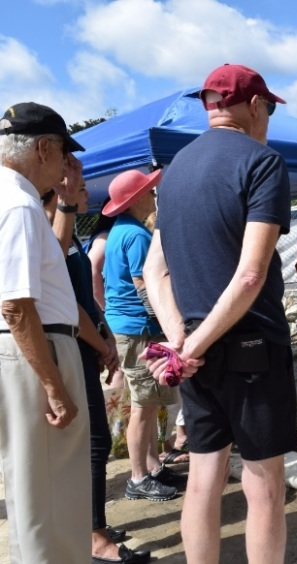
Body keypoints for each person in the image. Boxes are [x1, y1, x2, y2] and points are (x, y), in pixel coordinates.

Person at [143, 63, 297, 563]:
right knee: (264, 484)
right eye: (268, 108)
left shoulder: (174, 171)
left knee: (204, 476)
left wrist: (181, 343)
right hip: (250, 343)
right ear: (254, 105)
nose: (269, 118)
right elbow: (251, 275)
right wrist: (197, 345)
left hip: (192, 348)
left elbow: (154, 268)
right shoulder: (262, 162)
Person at [0, 101, 92, 563]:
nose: (64, 165)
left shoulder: (13, 199)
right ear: (41, 149)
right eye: (61, 154)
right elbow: (16, 306)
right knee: (51, 492)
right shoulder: (17, 203)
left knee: (35, 487)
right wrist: (54, 386)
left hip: (28, 345)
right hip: (39, 345)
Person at [46, 173, 151, 563]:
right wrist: (101, 342)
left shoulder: (69, 233)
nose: (90, 192)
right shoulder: (48, 229)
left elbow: (87, 300)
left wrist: (103, 336)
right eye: (82, 187)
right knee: (94, 446)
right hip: (72, 345)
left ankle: (91, 525)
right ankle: (95, 540)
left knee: (91, 444)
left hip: (87, 341)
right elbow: (65, 301)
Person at [102, 169, 183, 503]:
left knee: (148, 405)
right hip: (137, 330)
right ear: (136, 200)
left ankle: (151, 467)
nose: (153, 197)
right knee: (143, 406)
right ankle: (138, 478)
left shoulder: (121, 231)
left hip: (129, 328)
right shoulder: (136, 236)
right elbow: (144, 285)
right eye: (149, 192)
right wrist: (168, 322)